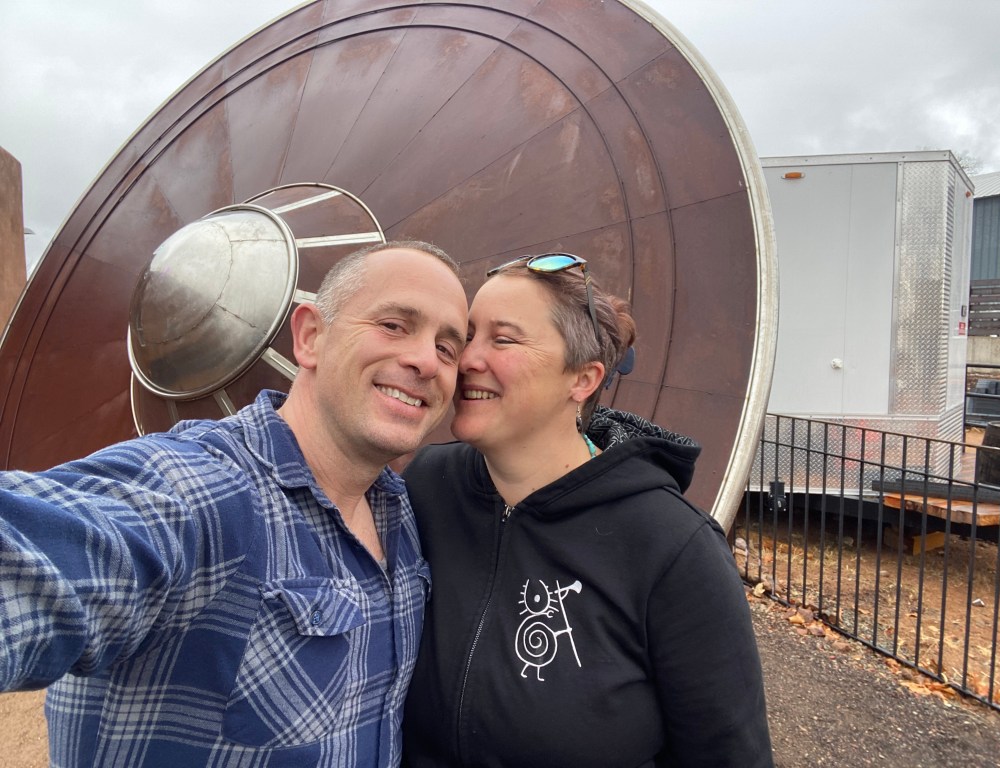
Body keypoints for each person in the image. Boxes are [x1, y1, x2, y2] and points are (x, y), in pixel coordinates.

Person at [0, 238, 468, 767]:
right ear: (310, 337)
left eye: (446, 348)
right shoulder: (203, 490)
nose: (425, 361)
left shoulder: (400, 512)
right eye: (394, 325)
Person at [401, 253, 773, 767]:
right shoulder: (425, 485)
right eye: (467, 336)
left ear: (583, 379)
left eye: (503, 339)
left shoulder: (672, 548)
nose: (466, 360)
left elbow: (729, 755)